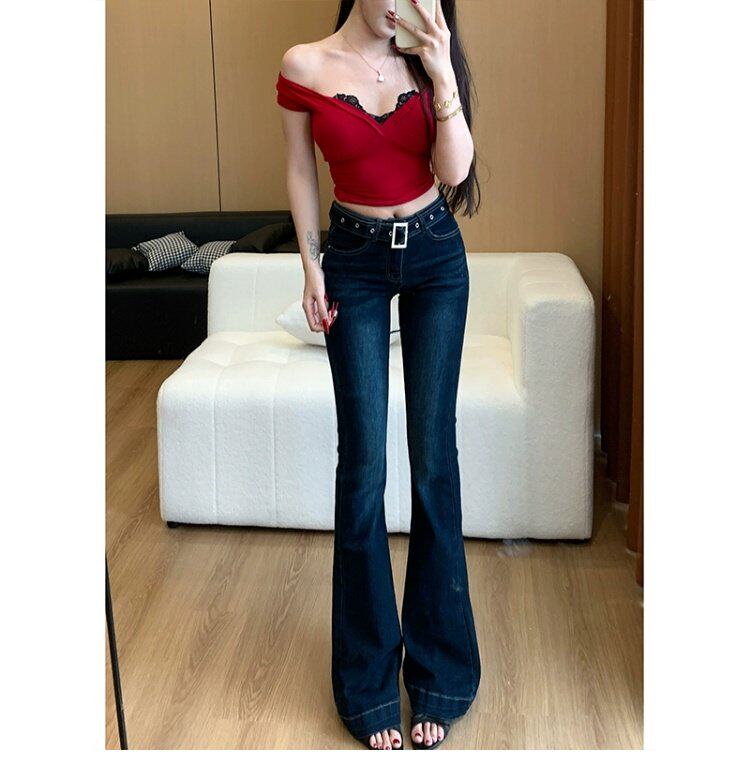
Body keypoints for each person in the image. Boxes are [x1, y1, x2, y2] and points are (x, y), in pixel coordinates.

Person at [275, 0, 481, 750]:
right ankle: (365, 688)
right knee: (362, 467)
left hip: (435, 256)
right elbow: (300, 167)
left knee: (434, 461)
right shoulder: (304, 65)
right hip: (353, 262)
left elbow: (455, 173)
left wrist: (442, 71)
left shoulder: (428, 53)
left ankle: (441, 676)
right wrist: (311, 268)